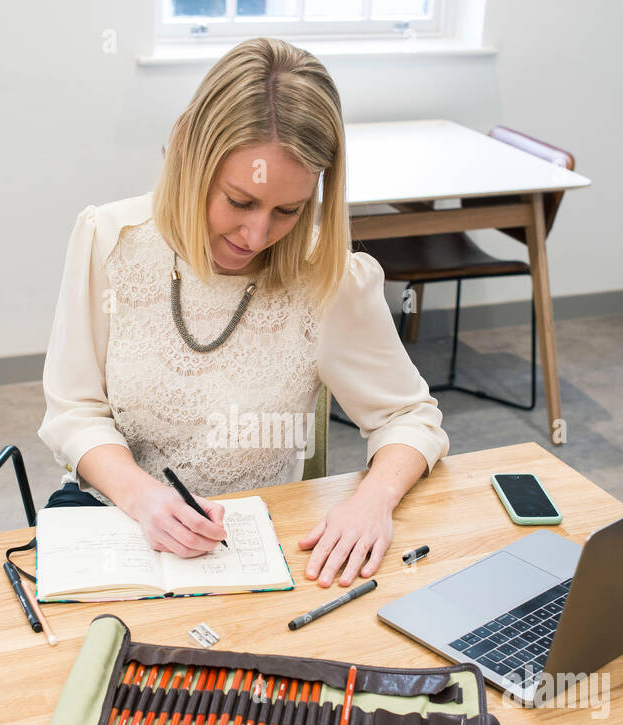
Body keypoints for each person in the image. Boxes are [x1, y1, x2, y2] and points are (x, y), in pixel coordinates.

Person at [39, 36, 448, 590]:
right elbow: (74, 410)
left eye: (288, 210)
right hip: (121, 535)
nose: (256, 236)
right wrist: (142, 498)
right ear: (188, 154)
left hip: (256, 554)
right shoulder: (109, 241)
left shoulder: (327, 277)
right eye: (239, 201)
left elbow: (409, 417)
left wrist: (372, 500)